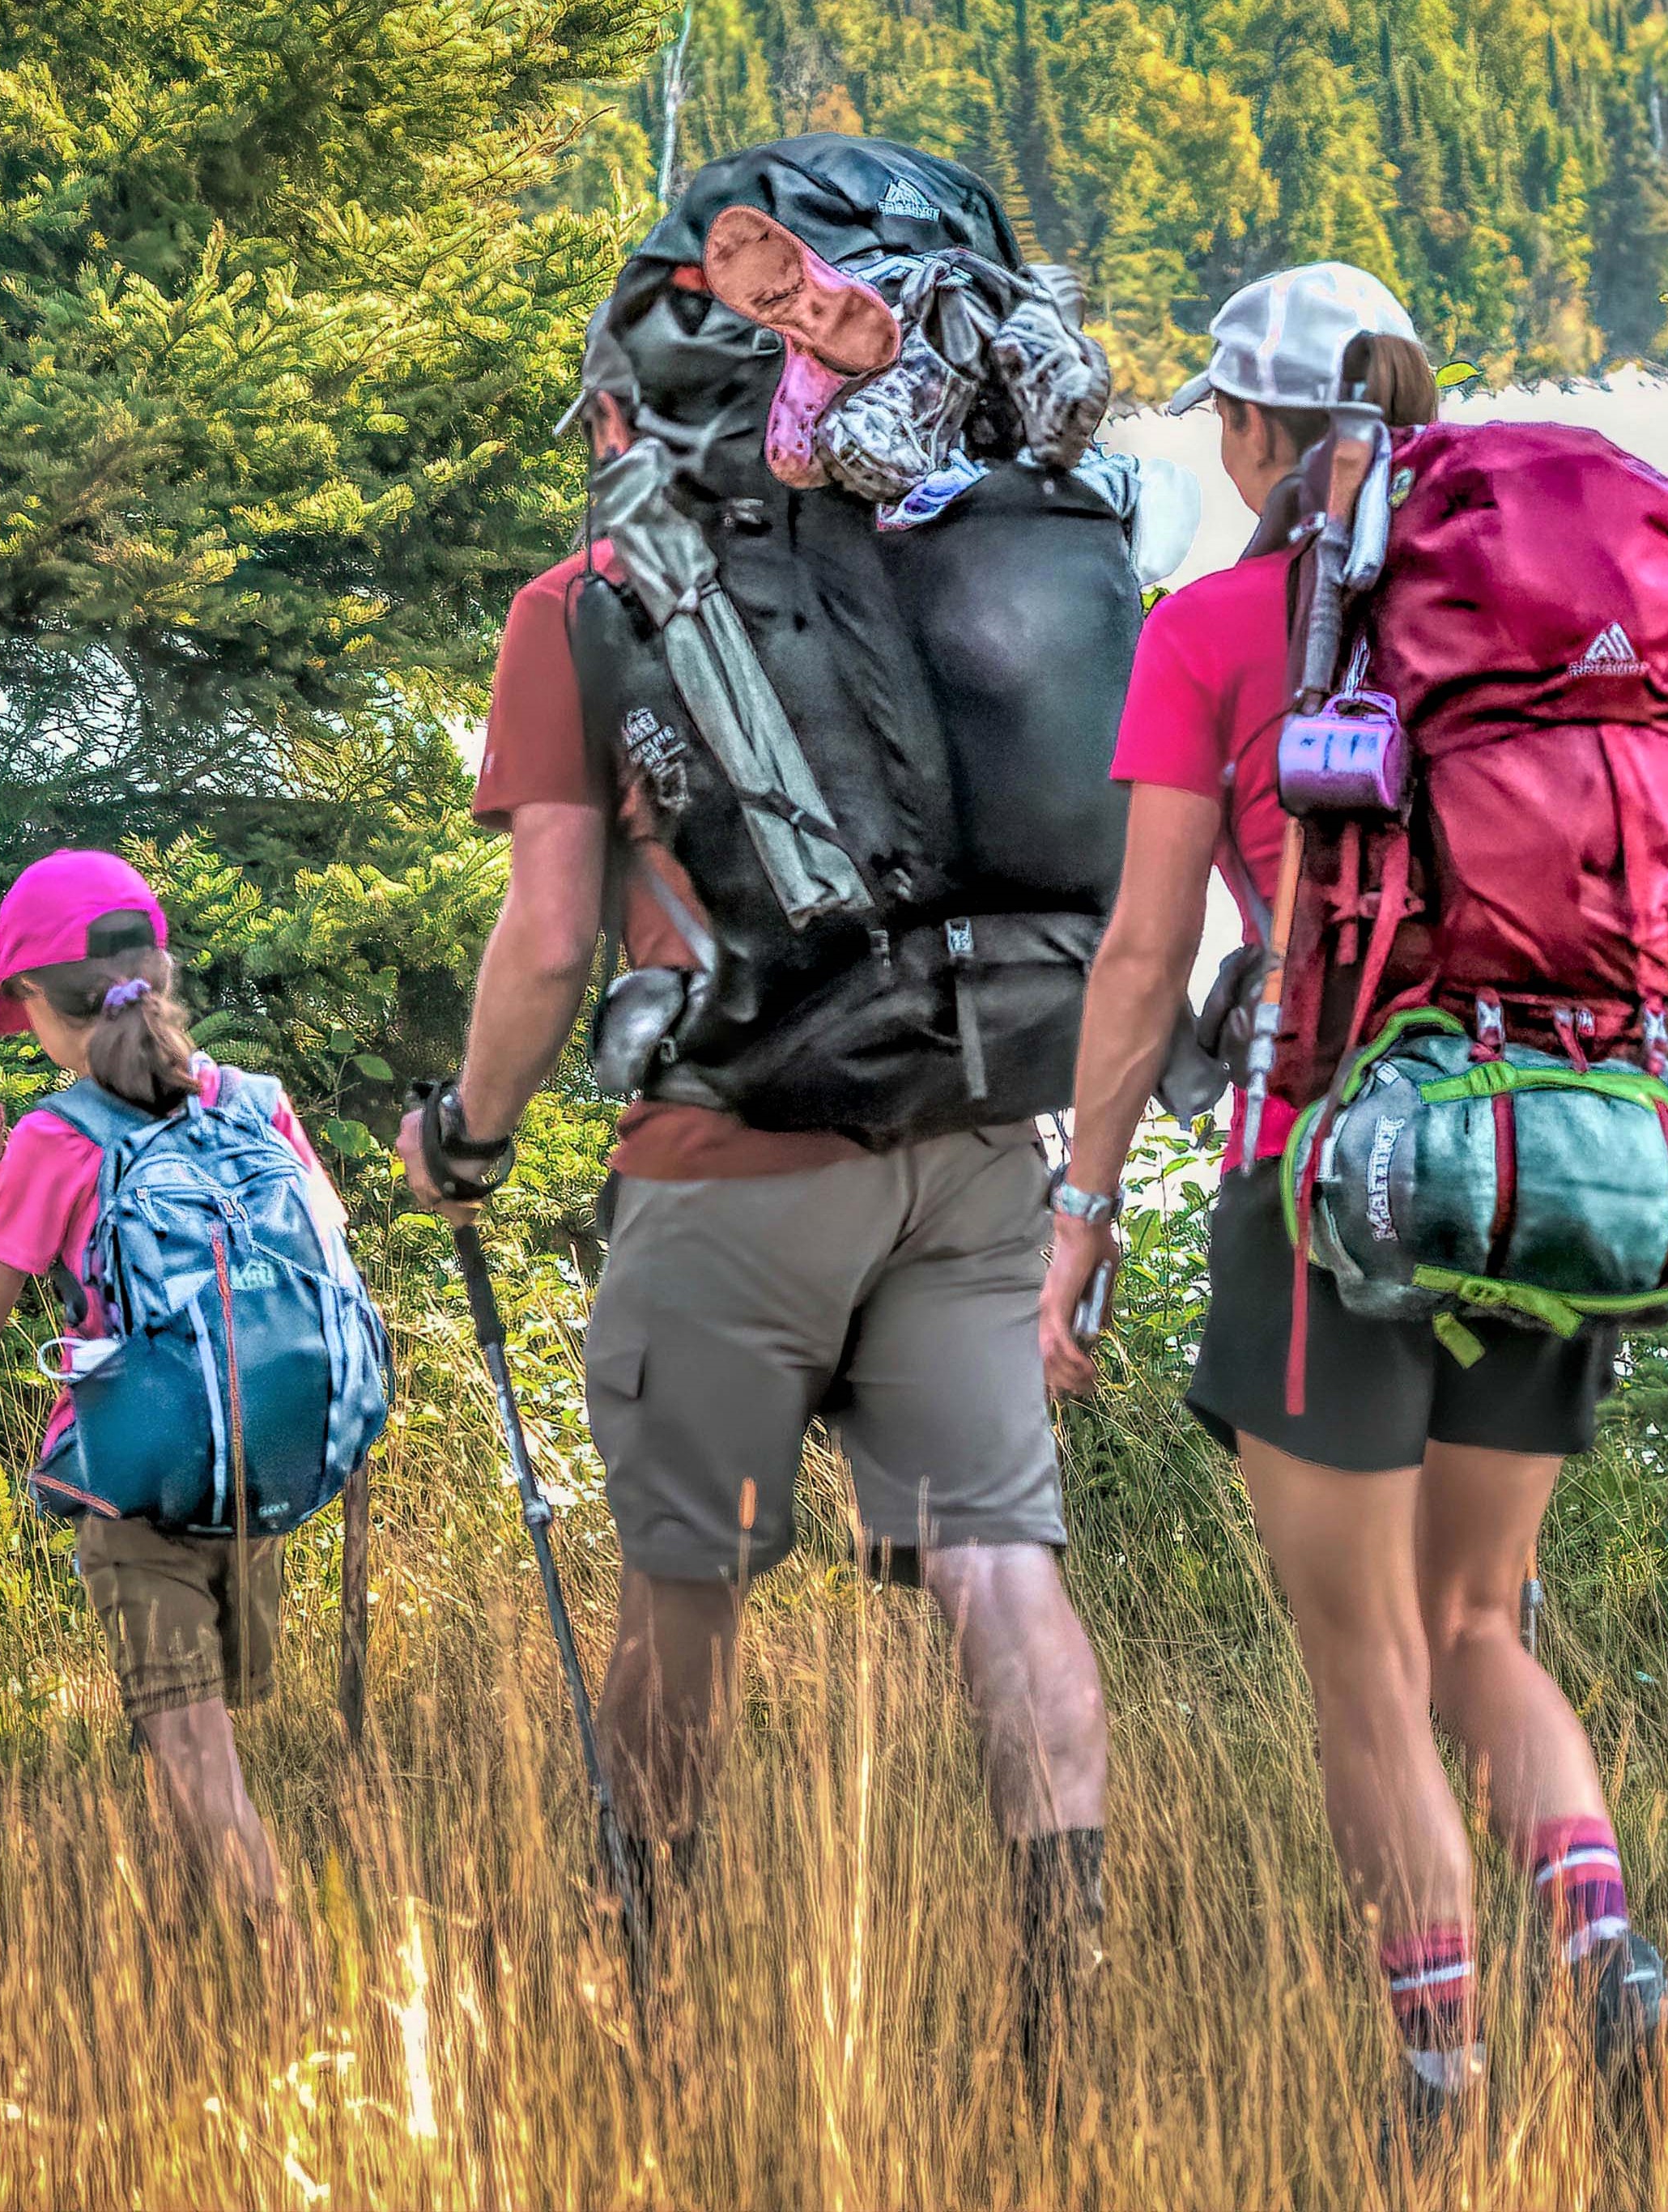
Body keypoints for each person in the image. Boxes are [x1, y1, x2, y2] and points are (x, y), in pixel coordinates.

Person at [392, 400, 1119, 2071]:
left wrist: (469, 1135)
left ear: (627, 407)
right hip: (971, 1146)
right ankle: (1062, 2012)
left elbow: (554, 927)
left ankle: (638, 1987)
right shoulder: (933, 563)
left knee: (689, 1590)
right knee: (1000, 1565)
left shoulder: (583, 601)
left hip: (732, 1171)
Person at [1036, 262, 1668, 2155]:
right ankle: (1608, 1944)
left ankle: (1438, 2081)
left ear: (1246, 433)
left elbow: (1148, 954)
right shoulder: (1530, 618)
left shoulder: (1213, 631)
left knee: (1369, 1665)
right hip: (1551, 1163)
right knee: (1482, 1617)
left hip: (1323, 1181)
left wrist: (1083, 1209)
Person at [0, 847, 347, 1939]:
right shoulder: (258, 1103)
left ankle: (293, 1987)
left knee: (195, 1750)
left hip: (134, 1485)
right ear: (161, 976)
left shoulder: (56, 1140)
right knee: (207, 1733)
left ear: (34, 1005)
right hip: (260, 1469)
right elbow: (328, 1248)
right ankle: (193, 1953)